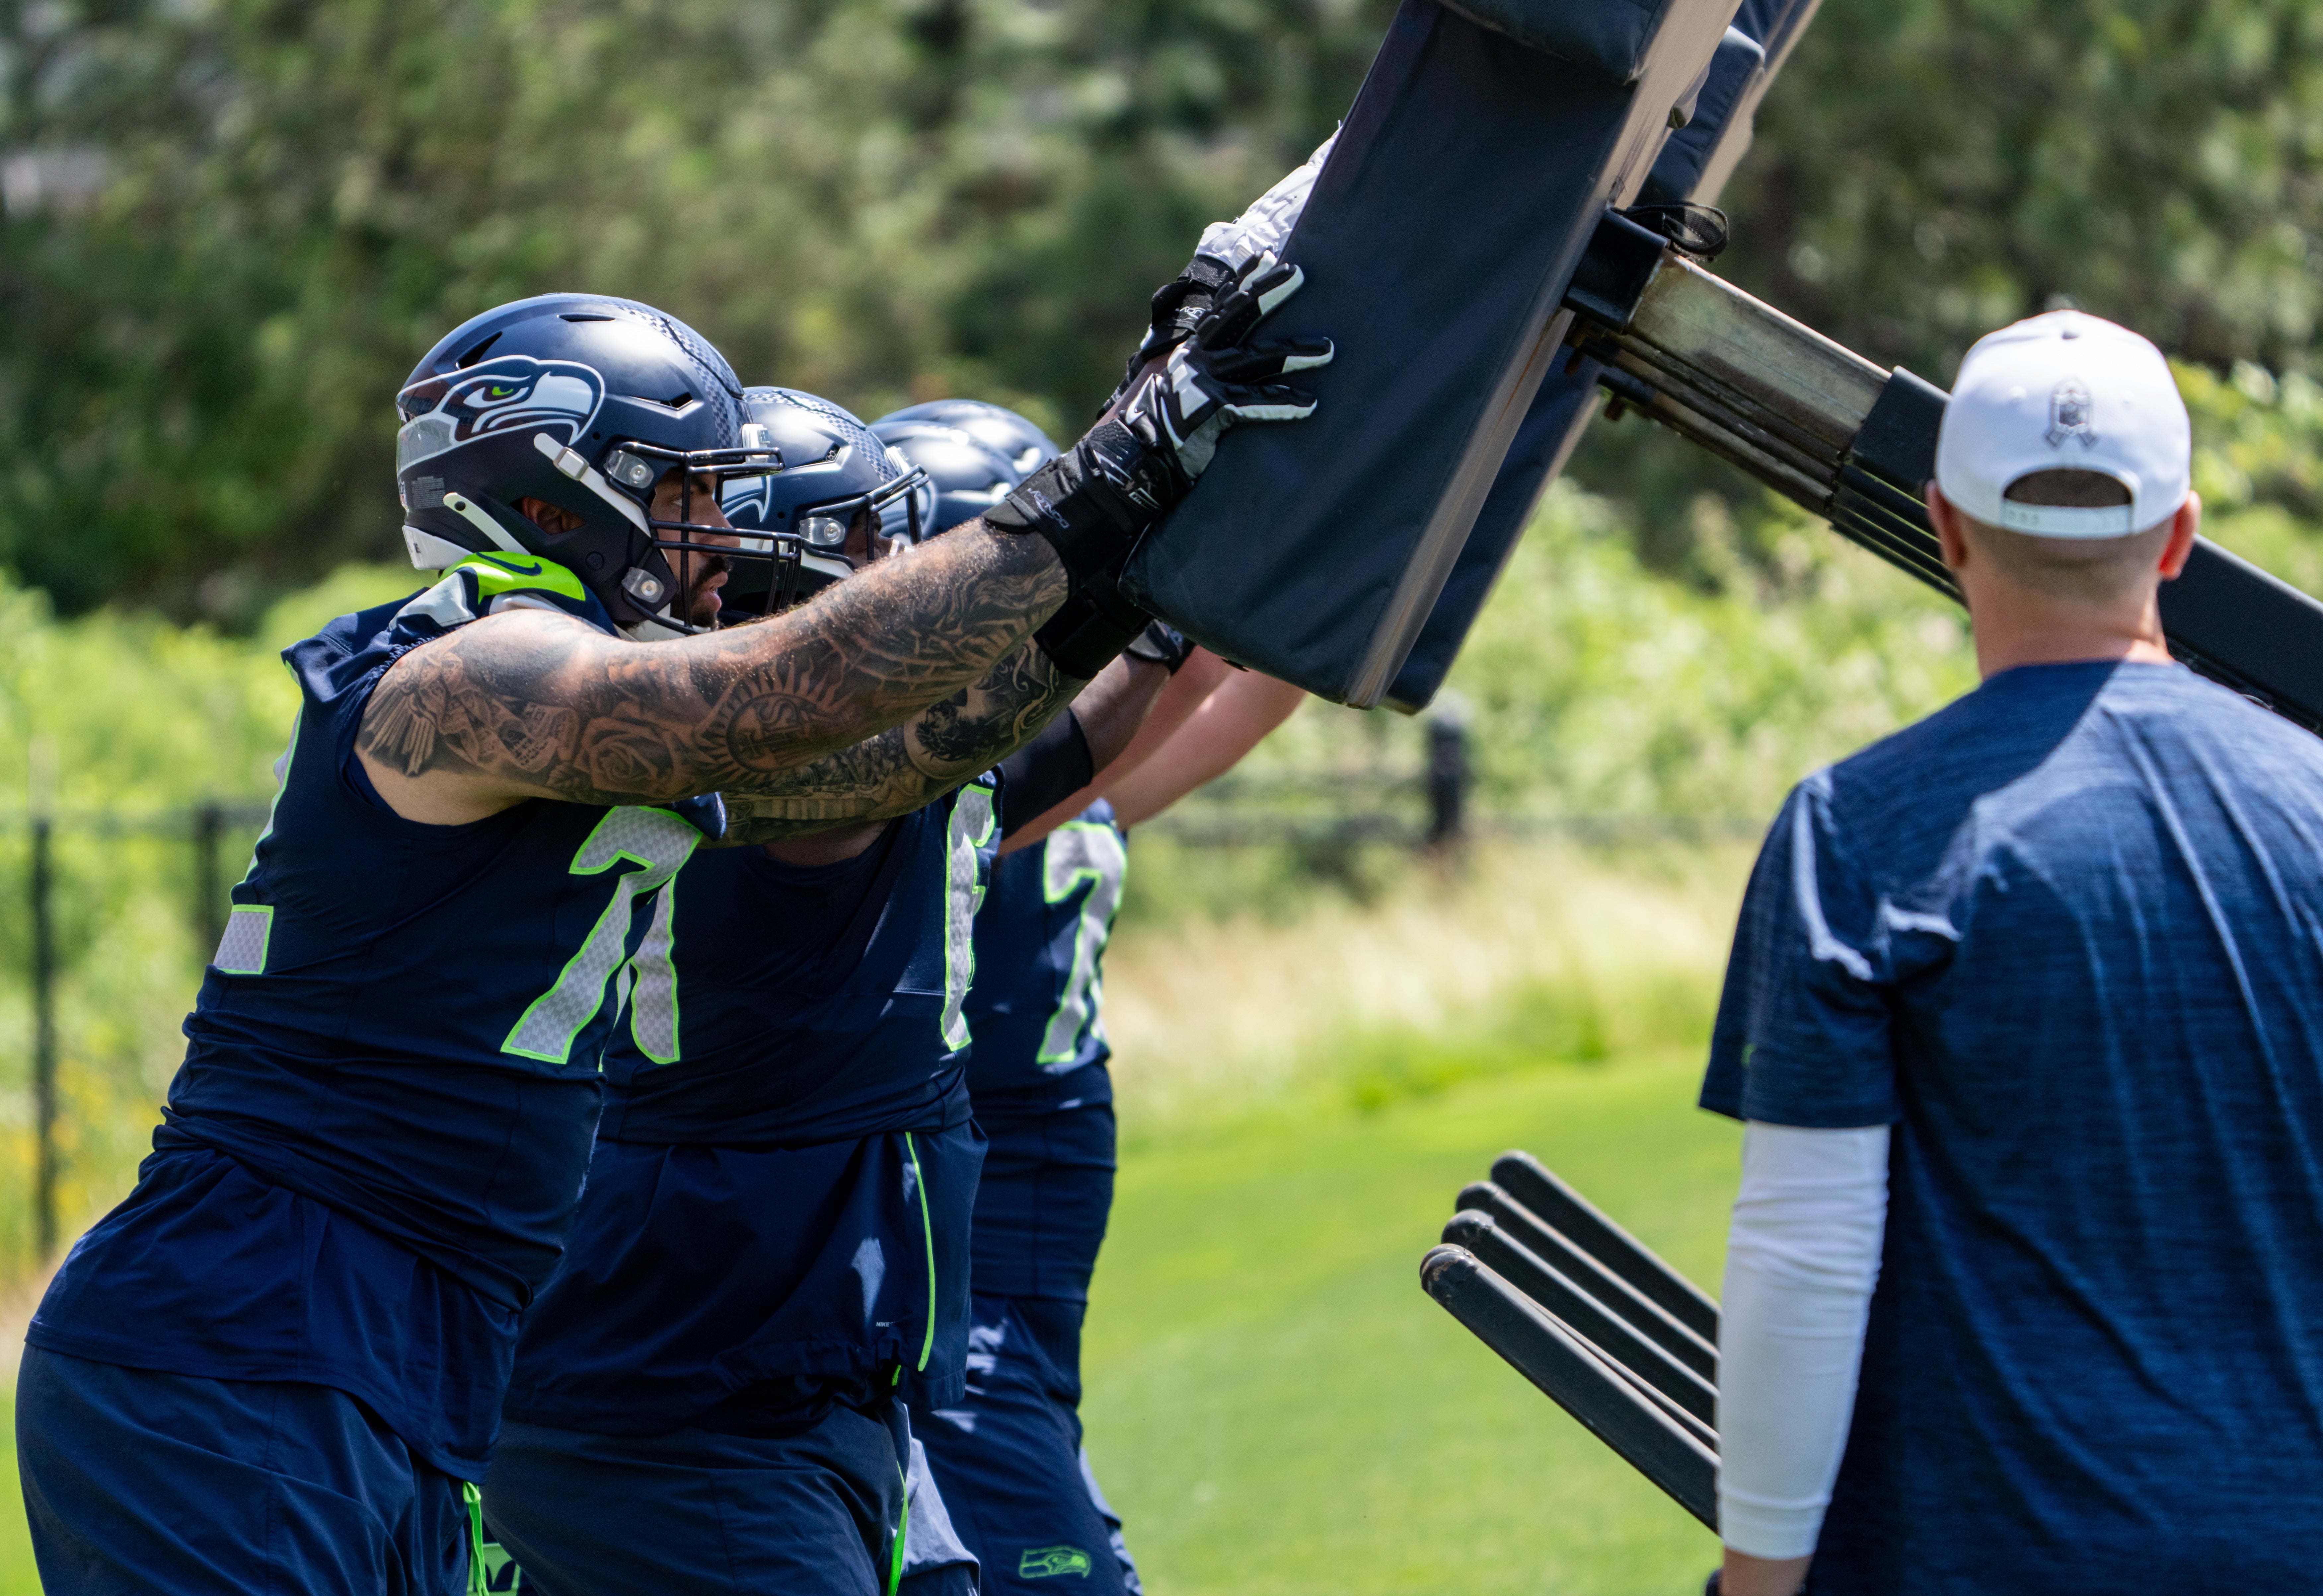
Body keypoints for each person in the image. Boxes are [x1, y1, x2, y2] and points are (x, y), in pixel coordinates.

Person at [18, 263, 1328, 1596]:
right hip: (245, 1336)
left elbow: (905, 758)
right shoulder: (467, 676)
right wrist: (1112, 475)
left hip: (396, 1344)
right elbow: (787, 693)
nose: (718, 537)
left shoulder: (573, 717)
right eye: (685, 494)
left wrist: (1126, 580)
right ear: (547, 495)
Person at [477, 388, 1184, 1596]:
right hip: (682, 1389)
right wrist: (1143, 487)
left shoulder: (895, 769)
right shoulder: (765, 778)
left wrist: (1165, 599)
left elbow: (1054, 747)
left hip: (814, 1374)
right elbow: (922, 754)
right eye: (862, 548)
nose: (899, 573)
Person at [1701, 309, 2323, 1595]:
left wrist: (1757, 1582)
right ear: (2179, 537)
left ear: (1941, 525)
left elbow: (1803, 1258)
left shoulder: (1854, 834)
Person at [877, 401, 1306, 1596]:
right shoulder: (930, 792)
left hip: (1050, 1191)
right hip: (949, 1200)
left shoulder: (1072, 778)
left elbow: (1252, 685)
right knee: (1042, 1549)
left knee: (1009, 1482)